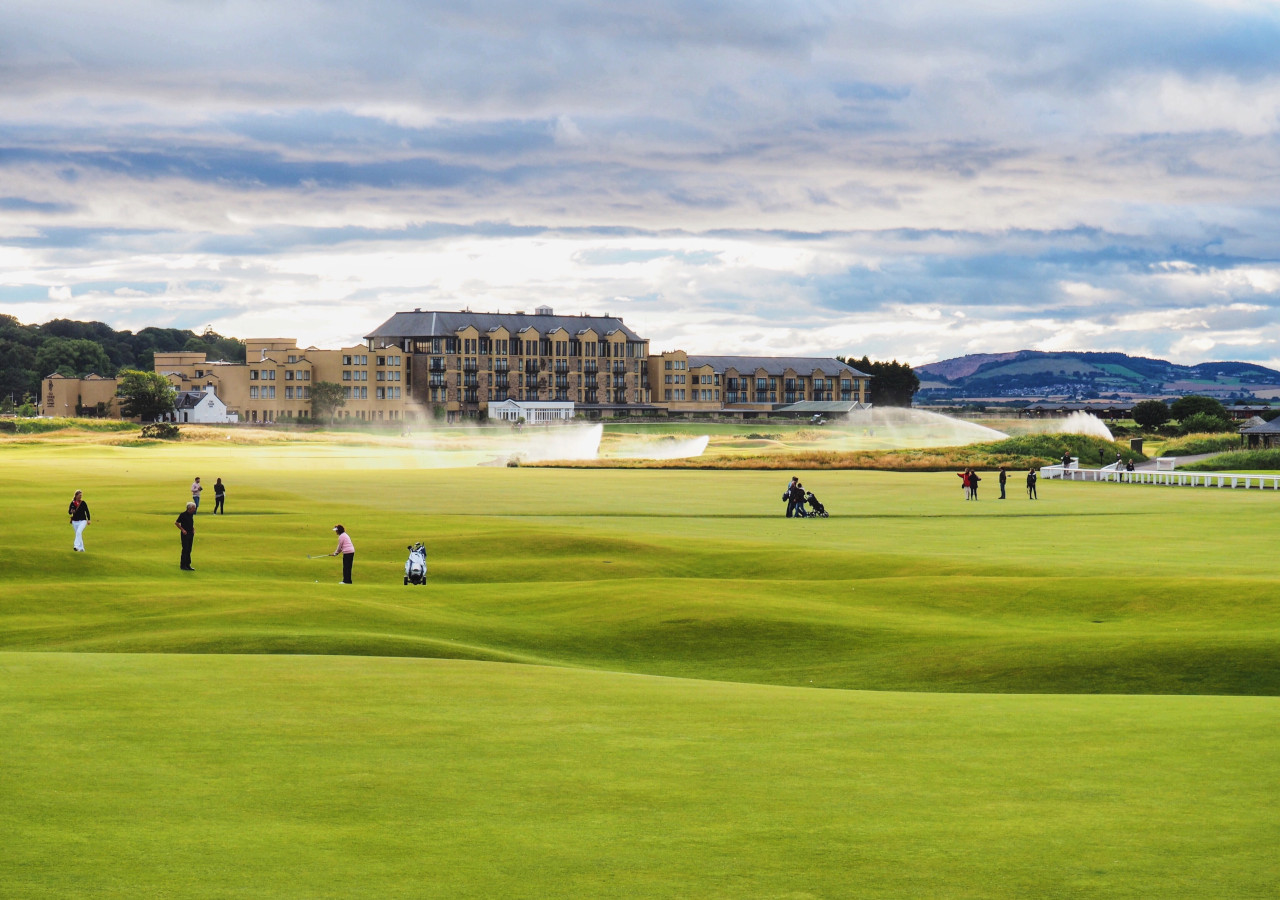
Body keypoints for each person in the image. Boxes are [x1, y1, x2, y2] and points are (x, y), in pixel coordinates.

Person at [175, 501, 196, 570]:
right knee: (185, 549)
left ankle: (188, 564)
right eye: (193, 508)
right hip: (185, 534)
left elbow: (190, 523)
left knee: (189, 549)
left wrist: (193, 528)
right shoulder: (183, 515)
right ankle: (183, 565)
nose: (194, 509)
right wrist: (182, 530)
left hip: (190, 533)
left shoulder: (191, 515)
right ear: (189, 508)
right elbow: (177, 523)